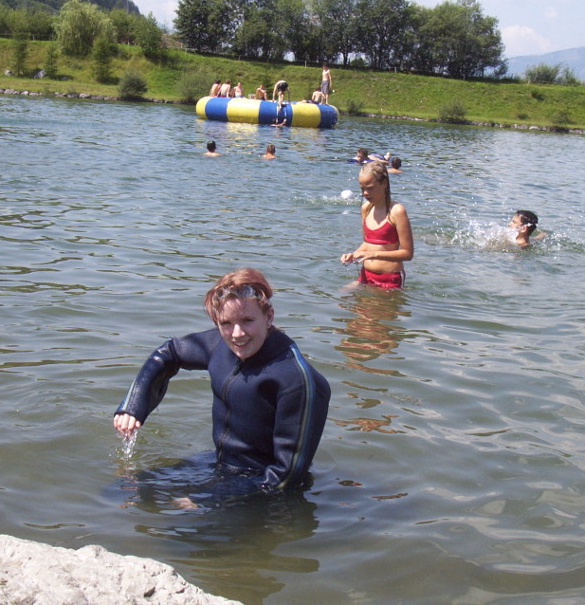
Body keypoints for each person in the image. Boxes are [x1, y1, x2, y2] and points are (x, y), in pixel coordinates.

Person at [113, 268, 331, 496]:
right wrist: (133, 407)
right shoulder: (220, 345)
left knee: (175, 528)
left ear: (269, 317)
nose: (237, 334)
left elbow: (287, 476)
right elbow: (168, 353)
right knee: (125, 491)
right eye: (226, 323)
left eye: (247, 321)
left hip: (263, 487)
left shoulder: (295, 380)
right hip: (221, 466)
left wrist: (207, 500)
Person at [340, 162, 414, 289]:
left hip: (390, 279)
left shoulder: (397, 211)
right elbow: (368, 243)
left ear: (384, 183)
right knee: (340, 299)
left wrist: (373, 254)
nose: (365, 193)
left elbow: (408, 253)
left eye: (370, 188)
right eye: (362, 188)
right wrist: (354, 255)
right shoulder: (366, 209)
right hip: (365, 276)